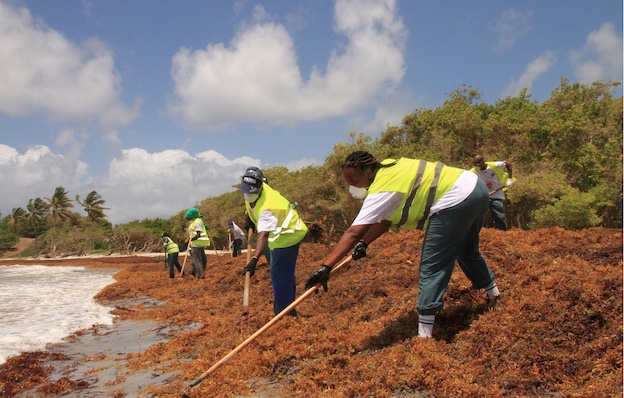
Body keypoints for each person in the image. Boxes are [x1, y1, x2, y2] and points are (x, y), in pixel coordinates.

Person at [305, 151, 500, 338]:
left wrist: (326, 267)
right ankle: (494, 296)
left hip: (455, 199)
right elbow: (386, 219)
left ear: (368, 171)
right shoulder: (391, 168)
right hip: (476, 188)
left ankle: (424, 335)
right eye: (347, 182)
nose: (352, 186)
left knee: (433, 264)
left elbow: (354, 231)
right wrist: (365, 243)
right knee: (467, 249)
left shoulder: (382, 187)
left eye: (354, 181)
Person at [239, 167, 308, 316]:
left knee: (279, 274)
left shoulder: (268, 207)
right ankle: (288, 309)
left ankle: (284, 315)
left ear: (259, 188)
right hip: (277, 235)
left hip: (288, 234)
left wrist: (254, 260)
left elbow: (263, 235)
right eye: (246, 191)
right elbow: (251, 206)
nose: (248, 195)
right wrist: (249, 218)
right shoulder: (251, 192)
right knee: (284, 273)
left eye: (251, 192)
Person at [470, 155, 514, 231]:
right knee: (476, 216)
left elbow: (508, 164)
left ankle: (502, 233)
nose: (476, 167)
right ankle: (476, 232)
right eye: (475, 165)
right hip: (483, 196)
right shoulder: (473, 172)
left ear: (482, 163)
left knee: (499, 216)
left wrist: (510, 179)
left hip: (496, 195)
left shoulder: (494, 166)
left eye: (477, 165)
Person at [184, 207, 210, 279]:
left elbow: (198, 234)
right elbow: (194, 233)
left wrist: (190, 239)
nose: (188, 220)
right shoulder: (195, 223)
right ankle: (201, 276)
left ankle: (200, 275)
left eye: (189, 218)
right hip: (196, 245)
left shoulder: (197, 221)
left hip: (199, 244)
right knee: (198, 262)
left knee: (201, 261)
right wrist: (189, 239)